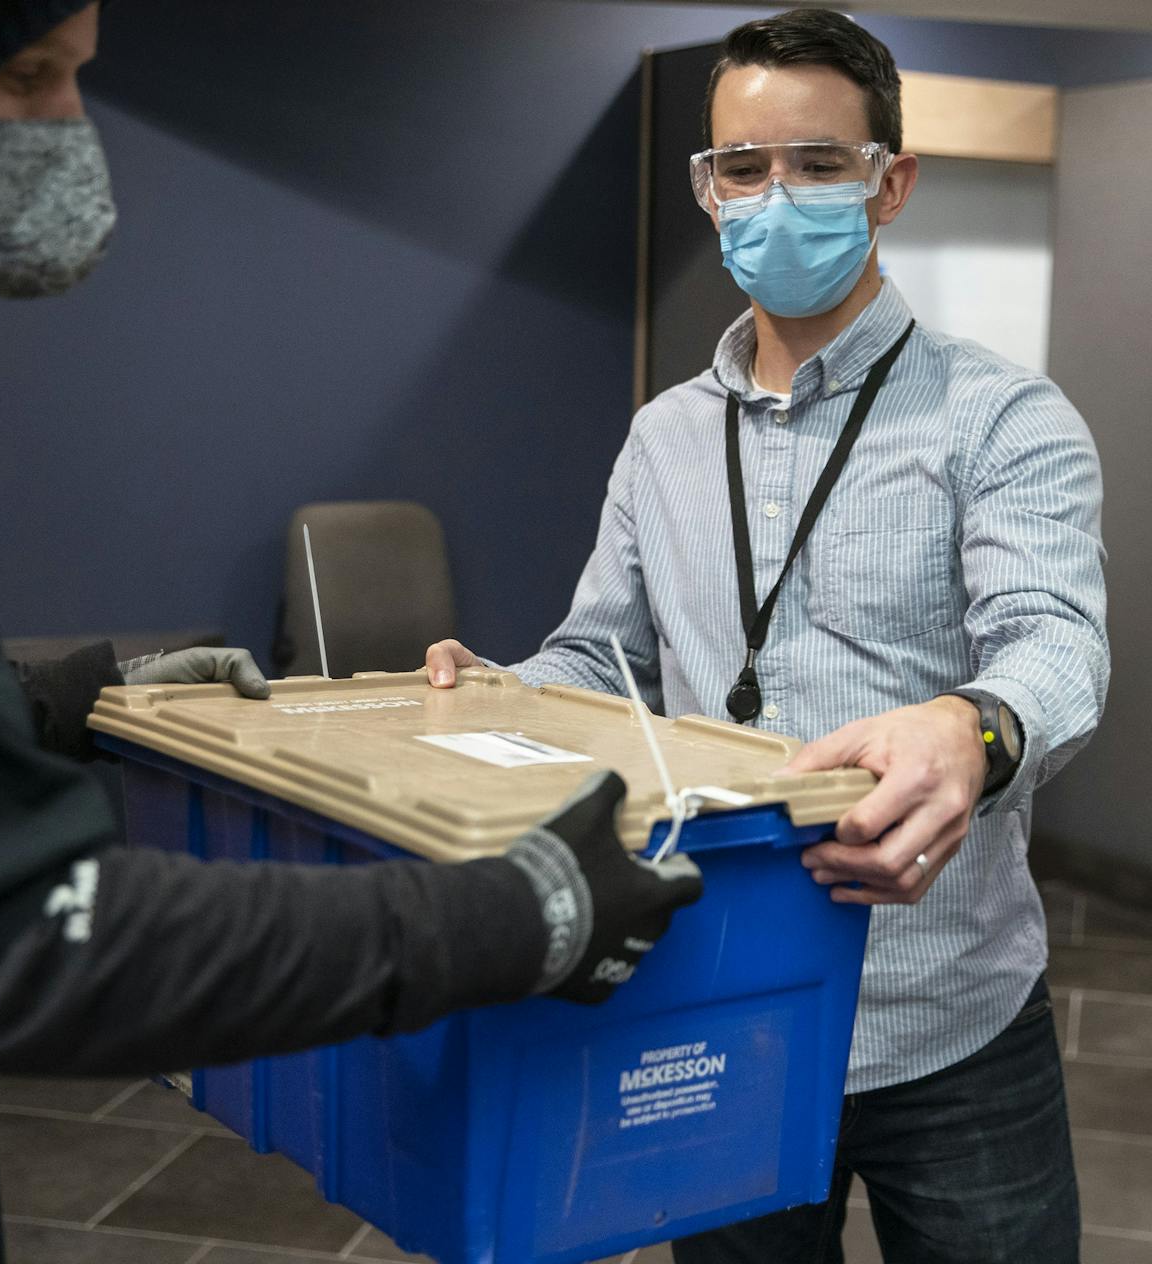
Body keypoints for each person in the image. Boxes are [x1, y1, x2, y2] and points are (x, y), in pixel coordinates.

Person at [0, 3, 704, 1261]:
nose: (70, 134)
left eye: (78, 78)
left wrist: (77, 691)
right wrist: (514, 914)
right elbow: (5, 935)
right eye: (24, 78)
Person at [428, 9, 1108, 1262]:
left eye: (814, 165)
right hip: (717, 998)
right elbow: (607, 656)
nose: (771, 197)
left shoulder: (1001, 417)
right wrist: (503, 688)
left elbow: (1052, 640)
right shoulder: (663, 435)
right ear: (707, 188)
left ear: (886, 182)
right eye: (741, 168)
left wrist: (972, 727)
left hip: (943, 1017)